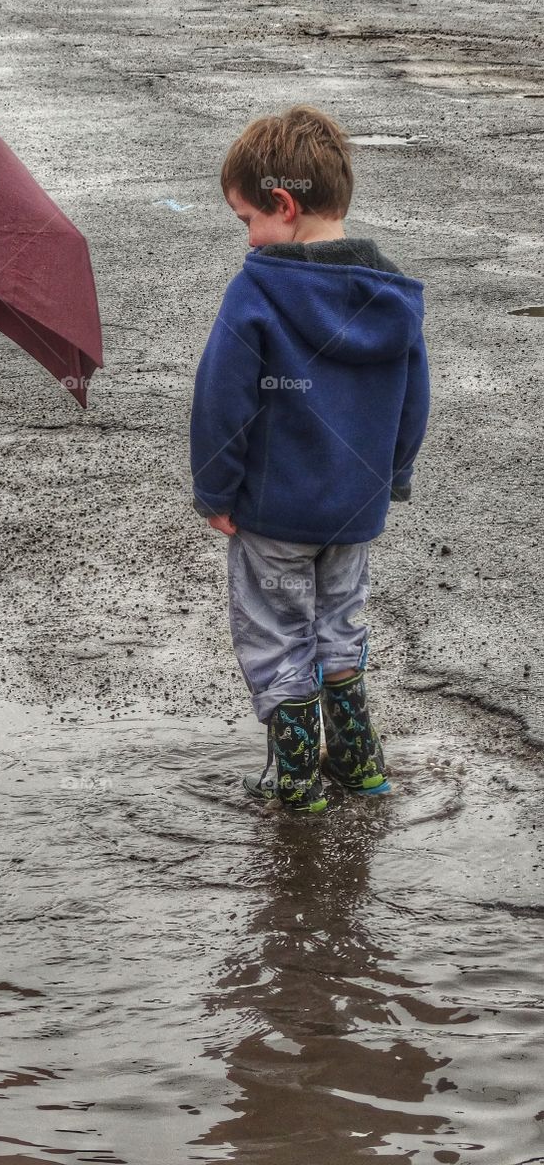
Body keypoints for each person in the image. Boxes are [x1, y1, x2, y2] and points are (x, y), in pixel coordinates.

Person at [190, 105, 429, 813]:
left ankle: (294, 772)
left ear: (283, 204)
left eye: (246, 219)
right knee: (339, 624)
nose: (248, 236)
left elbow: (221, 401)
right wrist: (392, 477)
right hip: (353, 509)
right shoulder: (390, 295)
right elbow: (413, 398)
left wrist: (215, 493)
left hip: (273, 510)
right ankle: (357, 760)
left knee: (274, 629)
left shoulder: (257, 288)